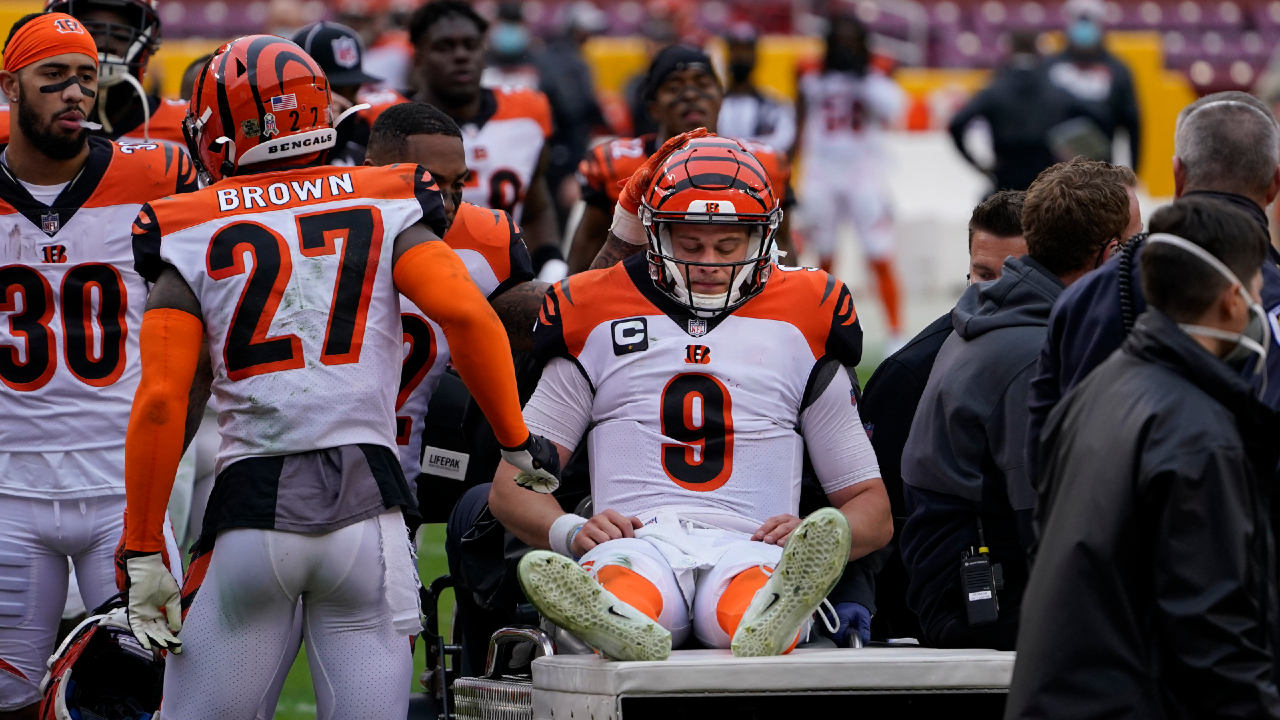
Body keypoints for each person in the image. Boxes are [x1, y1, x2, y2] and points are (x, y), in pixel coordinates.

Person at [121, 37, 560, 719]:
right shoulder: (387, 196)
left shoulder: (185, 224)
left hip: (254, 512)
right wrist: (513, 440)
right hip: (373, 518)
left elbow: (160, 401)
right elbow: (468, 318)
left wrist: (144, 542)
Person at [488, 135, 893, 660]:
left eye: (728, 246)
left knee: (754, 594)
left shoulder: (804, 315)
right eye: (690, 243)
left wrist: (816, 537)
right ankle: (614, 614)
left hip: (756, 545)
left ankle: (770, 613)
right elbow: (511, 485)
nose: (709, 263)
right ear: (654, 234)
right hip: (635, 538)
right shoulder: (595, 311)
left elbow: (872, 509)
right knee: (624, 582)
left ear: (764, 237)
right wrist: (570, 532)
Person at [1007, 196, 1280, 718]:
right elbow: (1212, 633)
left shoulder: (1099, 390)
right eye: (1258, 291)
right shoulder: (1197, 434)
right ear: (1232, 299)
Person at [0, 13, 195, 719]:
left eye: (85, 78)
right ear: (10, 87)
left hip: (122, 488)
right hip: (8, 488)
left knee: (150, 693)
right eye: (53, 79)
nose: (74, 94)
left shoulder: (156, 176)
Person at [898, 158, 1131, 650]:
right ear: (1109, 253)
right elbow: (1049, 528)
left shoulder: (999, 316)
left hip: (965, 582)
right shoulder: (1034, 354)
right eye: (1133, 246)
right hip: (984, 603)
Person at [1027, 91, 1280, 483]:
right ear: (1275, 184)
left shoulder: (1084, 296)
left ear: (1178, 175)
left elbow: (1045, 457)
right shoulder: (1270, 293)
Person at [858, 190, 1026, 641]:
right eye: (982, 275)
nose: (995, 293)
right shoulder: (911, 374)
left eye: (1014, 276)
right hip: (940, 623)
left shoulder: (1070, 353)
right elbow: (881, 515)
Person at [363, 102, 550, 501]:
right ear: (369, 171)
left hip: (404, 480)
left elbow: (555, 325)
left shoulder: (486, 241)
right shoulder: (314, 229)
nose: (445, 205)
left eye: (457, 185)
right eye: (428, 185)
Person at [567, 44, 792, 273]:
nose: (691, 95)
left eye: (702, 84)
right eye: (674, 87)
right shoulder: (618, 163)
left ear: (720, 97)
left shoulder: (763, 164)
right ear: (653, 108)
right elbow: (587, 251)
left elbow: (784, 248)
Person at [407, 0, 562, 278]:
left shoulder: (527, 111)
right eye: (445, 47)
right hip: (423, 277)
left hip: (510, 276)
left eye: (471, 44)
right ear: (418, 57)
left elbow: (536, 205)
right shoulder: (387, 120)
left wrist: (551, 263)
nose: (461, 55)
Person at [795, 14, 906, 346]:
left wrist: (865, 79)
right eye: (839, 42)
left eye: (850, 42)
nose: (845, 48)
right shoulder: (810, 72)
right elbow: (800, 118)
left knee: (879, 250)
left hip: (863, 170)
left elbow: (895, 110)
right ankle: (820, 325)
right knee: (823, 251)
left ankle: (896, 334)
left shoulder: (875, 75)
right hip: (822, 170)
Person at [0, 0, 188, 147]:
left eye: (121, 35)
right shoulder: (9, 124)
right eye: (88, 32)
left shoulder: (186, 128)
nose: (102, 44)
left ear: (146, 46)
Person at [949, 32, 1104, 191]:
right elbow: (1097, 113)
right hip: (1046, 183)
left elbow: (957, 123)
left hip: (1005, 181)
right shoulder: (1054, 90)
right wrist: (1084, 161)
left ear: (1009, 51)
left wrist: (976, 163)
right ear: (1037, 50)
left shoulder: (995, 89)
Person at [533, 0, 609, 226]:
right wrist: (574, 170)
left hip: (545, 152)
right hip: (562, 155)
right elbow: (575, 113)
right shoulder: (572, 64)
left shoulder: (546, 56)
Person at [1044, 0, 1140, 167]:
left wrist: (1134, 170)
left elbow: (1133, 123)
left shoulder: (1118, 70)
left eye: (1089, 20)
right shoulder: (1049, 67)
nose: (1084, 26)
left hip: (1101, 168)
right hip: (1053, 168)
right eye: (1079, 19)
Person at [291, 21, 389, 166]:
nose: (344, 101)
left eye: (352, 89)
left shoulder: (367, 130)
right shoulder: (272, 133)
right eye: (333, 90)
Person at [716, 23, 796, 154]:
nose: (740, 55)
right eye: (735, 49)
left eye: (746, 49)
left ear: (756, 55)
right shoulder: (714, 104)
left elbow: (783, 143)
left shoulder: (775, 105)